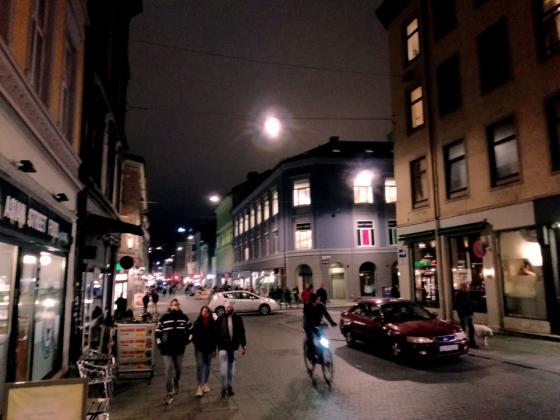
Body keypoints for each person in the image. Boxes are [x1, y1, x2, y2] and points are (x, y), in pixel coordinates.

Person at [155, 298, 193, 404]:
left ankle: (176, 381)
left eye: (177, 304)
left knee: (178, 369)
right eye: (173, 305)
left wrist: (188, 340)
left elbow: (191, 330)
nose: (175, 306)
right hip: (167, 349)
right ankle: (169, 391)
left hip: (179, 349)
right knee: (168, 370)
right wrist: (159, 343)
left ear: (179, 305)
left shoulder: (184, 318)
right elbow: (158, 332)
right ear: (170, 306)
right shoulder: (164, 318)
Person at [216, 304, 247, 398]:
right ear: (224, 308)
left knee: (231, 370)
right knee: (223, 371)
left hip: (234, 347)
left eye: (229, 307)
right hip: (223, 347)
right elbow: (216, 333)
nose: (228, 308)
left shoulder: (238, 318)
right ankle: (223, 387)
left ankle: (229, 386)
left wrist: (244, 345)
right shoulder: (220, 319)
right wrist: (216, 346)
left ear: (233, 308)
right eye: (226, 307)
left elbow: (242, 332)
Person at [192, 305, 218, 397]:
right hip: (200, 349)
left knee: (207, 366)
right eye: (203, 311)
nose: (205, 313)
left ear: (209, 313)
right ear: (201, 312)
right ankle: (200, 385)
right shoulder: (197, 322)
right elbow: (193, 335)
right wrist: (196, 344)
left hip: (210, 349)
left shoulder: (213, 323)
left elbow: (215, 337)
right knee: (200, 366)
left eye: (207, 311)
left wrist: (214, 349)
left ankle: (205, 383)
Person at [303, 293, 337, 362]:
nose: (319, 299)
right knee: (311, 338)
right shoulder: (307, 306)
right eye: (317, 298)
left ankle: (320, 353)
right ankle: (311, 355)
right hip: (308, 325)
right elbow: (307, 318)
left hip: (317, 324)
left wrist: (332, 322)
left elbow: (326, 314)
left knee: (322, 337)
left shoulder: (321, 305)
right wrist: (312, 326)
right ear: (313, 300)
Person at [455, 282, 478, 349]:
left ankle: (472, 342)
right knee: (464, 329)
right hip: (463, 314)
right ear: (463, 288)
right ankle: (462, 342)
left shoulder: (468, 294)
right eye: (467, 287)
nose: (468, 288)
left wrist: (472, 304)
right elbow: (460, 305)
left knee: (471, 329)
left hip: (469, 313)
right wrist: (470, 303)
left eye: (468, 287)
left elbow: (471, 302)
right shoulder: (459, 295)